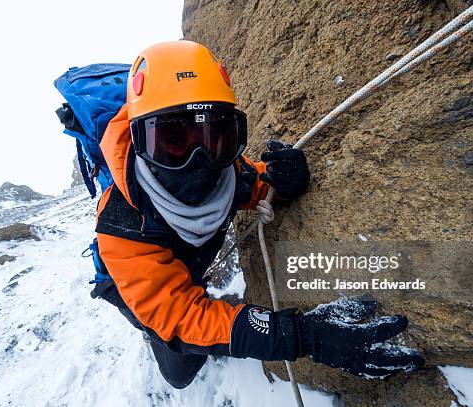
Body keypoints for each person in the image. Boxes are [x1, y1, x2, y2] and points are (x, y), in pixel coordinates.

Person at [92, 40, 424, 389]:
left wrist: (286, 181)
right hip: (130, 282)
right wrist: (302, 335)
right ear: (140, 141)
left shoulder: (228, 175)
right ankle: (147, 325)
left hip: (184, 267)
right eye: (174, 140)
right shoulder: (121, 225)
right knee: (181, 371)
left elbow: (259, 186)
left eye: (215, 136)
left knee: (192, 312)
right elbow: (180, 318)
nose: (201, 160)